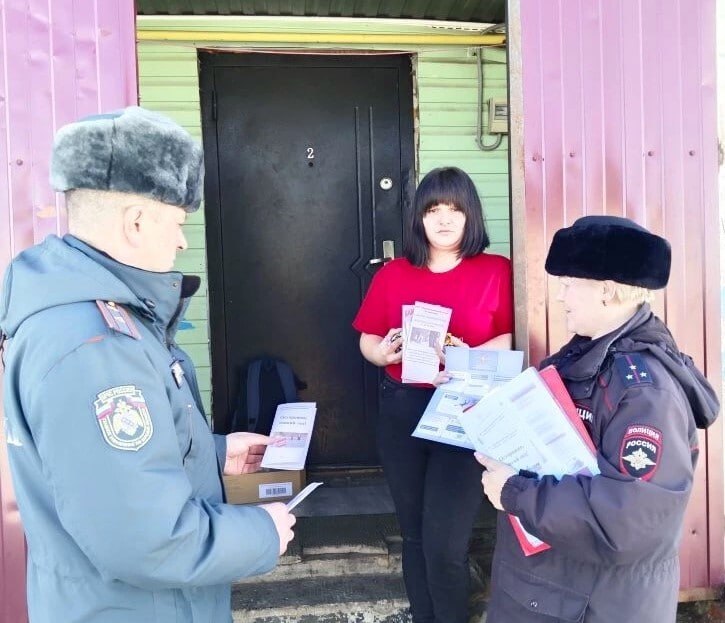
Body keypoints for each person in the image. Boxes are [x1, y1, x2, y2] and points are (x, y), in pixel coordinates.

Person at [0, 107, 296, 623]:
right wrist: (262, 532)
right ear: (136, 222)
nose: (182, 241)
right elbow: (145, 539)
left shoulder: (99, 317)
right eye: (178, 222)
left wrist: (214, 453)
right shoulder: (93, 344)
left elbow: (116, 468)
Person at [475, 216, 720, 623]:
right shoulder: (583, 356)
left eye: (569, 283)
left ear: (606, 291)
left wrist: (514, 492)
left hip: (592, 606)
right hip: (552, 595)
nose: (561, 296)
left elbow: (627, 519)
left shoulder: (645, 394)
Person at [353, 167, 513, 623]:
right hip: (403, 409)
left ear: (471, 215)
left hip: (464, 411)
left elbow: (512, 337)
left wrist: (465, 357)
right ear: (419, 218)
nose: (444, 220)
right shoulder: (394, 274)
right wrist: (382, 353)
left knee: (445, 542)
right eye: (433, 210)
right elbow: (368, 338)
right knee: (415, 535)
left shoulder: (496, 270)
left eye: (455, 210)